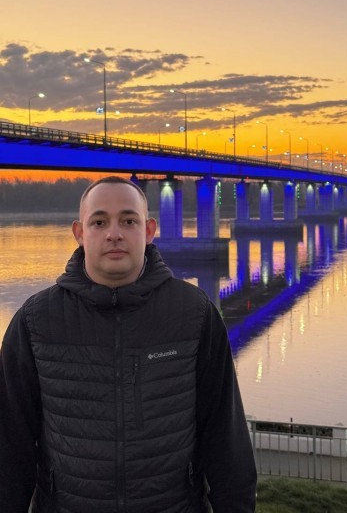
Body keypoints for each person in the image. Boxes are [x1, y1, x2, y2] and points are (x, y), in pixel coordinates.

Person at [0, 176, 257, 513]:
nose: (114, 234)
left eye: (128, 221)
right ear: (79, 233)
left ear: (149, 230)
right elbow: (10, 446)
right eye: (99, 222)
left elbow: (226, 439)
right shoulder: (36, 321)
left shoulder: (194, 314)